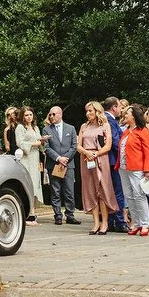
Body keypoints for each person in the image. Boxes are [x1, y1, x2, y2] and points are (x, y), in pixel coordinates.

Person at [78, 102, 117, 234]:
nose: (88, 113)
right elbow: (78, 146)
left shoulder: (105, 125)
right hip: (86, 159)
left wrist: (96, 154)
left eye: (90, 111)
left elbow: (108, 145)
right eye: (87, 111)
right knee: (90, 191)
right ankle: (96, 223)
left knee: (102, 189)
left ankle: (105, 223)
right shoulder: (84, 126)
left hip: (100, 158)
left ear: (97, 111)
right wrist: (86, 152)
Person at [120, 104, 149, 236]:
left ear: (134, 116)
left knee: (139, 195)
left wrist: (147, 169)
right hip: (124, 167)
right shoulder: (127, 130)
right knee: (129, 196)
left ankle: (145, 223)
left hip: (137, 167)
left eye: (127, 113)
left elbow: (147, 151)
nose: (125, 115)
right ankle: (136, 222)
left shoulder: (143, 131)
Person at [43, 106, 79, 225]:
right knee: (55, 191)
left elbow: (74, 146)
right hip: (53, 164)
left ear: (60, 114)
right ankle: (58, 215)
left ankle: (70, 215)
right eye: (50, 114)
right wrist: (58, 158)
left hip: (68, 164)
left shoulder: (71, 128)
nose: (51, 116)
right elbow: (46, 147)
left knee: (69, 191)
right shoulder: (46, 130)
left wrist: (65, 159)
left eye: (53, 114)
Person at [14, 107, 44, 222]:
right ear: (23, 116)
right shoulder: (20, 127)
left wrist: (42, 142)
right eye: (26, 115)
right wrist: (33, 144)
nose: (29, 117)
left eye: (30, 114)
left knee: (35, 183)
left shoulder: (36, 127)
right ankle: (28, 213)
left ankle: (32, 211)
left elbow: (39, 143)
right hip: (26, 157)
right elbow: (20, 142)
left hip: (35, 157)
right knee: (28, 183)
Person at [104, 97, 128, 232]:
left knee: (111, 191)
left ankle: (111, 220)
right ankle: (119, 221)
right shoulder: (110, 120)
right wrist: (124, 153)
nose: (121, 110)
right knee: (117, 192)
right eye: (119, 107)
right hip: (113, 160)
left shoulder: (108, 119)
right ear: (114, 107)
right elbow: (114, 141)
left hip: (109, 160)